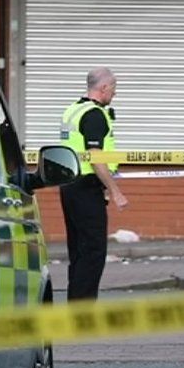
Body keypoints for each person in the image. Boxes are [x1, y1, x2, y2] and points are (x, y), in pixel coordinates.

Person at [59, 67, 128, 300]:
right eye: (114, 88)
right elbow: (96, 158)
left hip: (70, 186)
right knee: (93, 251)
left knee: (79, 251)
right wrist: (115, 190)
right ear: (104, 87)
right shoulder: (94, 115)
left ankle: (76, 305)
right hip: (86, 188)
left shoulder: (73, 110)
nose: (115, 93)